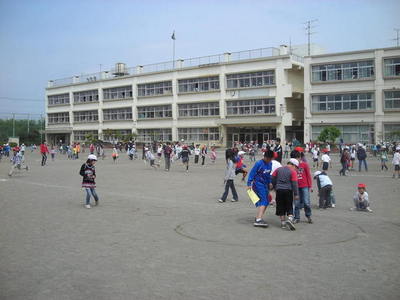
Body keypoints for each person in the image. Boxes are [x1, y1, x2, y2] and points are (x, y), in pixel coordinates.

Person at [247, 150, 274, 228]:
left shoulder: (270, 163)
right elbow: (252, 173)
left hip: (265, 184)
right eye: (268, 158)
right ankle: (258, 220)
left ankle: (259, 217)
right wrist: (249, 184)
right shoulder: (259, 163)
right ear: (264, 157)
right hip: (258, 184)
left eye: (270, 159)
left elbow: (268, 175)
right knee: (264, 200)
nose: (269, 160)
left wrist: (270, 182)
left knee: (267, 200)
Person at [271, 158, 299, 230]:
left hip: (279, 190)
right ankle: (289, 219)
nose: (296, 169)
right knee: (289, 205)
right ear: (293, 165)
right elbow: (294, 184)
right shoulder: (293, 172)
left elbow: (273, 178)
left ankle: (283, 223)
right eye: (296, 167)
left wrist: (274, 186)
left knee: (280, 206)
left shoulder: (278, 169)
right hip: (288, 190)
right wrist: (296, 194)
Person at [294, 152, 313, 224]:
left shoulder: (304, 165)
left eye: (297, 158)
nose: (296, 160)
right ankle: (297, 217)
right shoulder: (293, 165)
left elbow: (308, 176)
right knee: (296, 203)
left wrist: (310, 186)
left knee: (306, 202)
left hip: (305, 186)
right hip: (296, 186)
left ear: (300, 157)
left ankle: (308, 216)